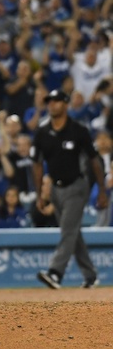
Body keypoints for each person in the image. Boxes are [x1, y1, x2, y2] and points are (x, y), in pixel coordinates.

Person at [32, 89, 105, 289]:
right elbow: (37, 164)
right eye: (50, 101)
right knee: (73, 232)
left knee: (67, 230)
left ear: (65, 104)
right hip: (55, 189)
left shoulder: (78, 130)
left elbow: (94, 161)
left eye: (56, 101)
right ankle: (91, 275)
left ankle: (55, 273)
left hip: (77, 186)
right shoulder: (42, 133)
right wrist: (40, 194)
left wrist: (101, 190)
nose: (52, 105)